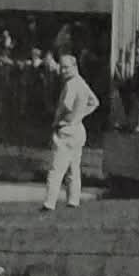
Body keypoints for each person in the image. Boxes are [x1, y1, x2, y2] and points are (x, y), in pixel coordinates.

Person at [42, 54, 99, 212]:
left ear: (75, 67)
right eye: (62, 67)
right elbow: (94, 102)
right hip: (78, 128)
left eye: (66, 67)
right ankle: (73, 200)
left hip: (66, 128)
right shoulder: (82, 83)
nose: (63, 70)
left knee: (56, 169)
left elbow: (66, 105)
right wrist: (81, 115)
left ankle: (49, 203)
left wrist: (56, 120)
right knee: (74, 168)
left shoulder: (71, 85)